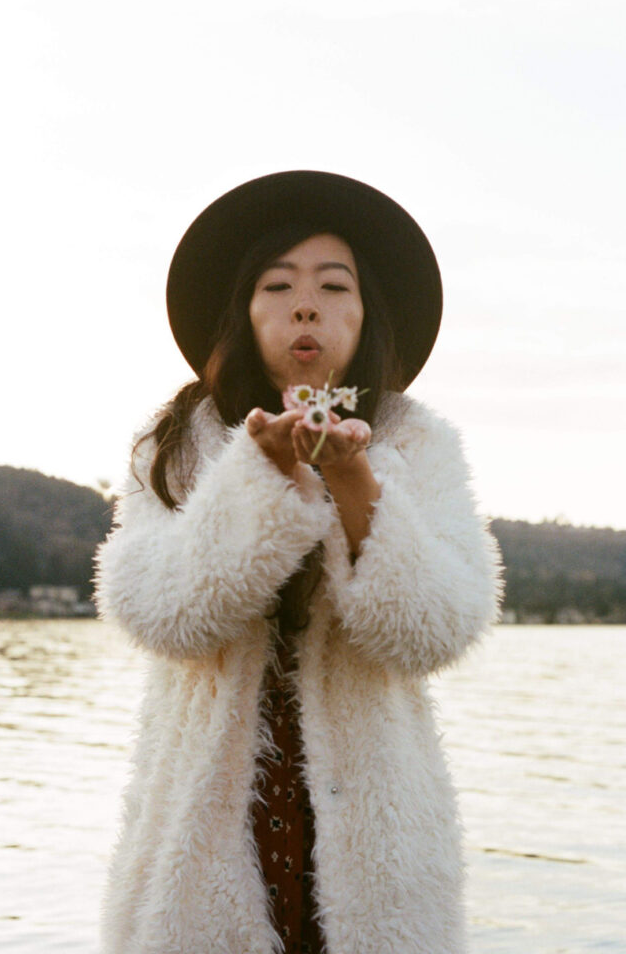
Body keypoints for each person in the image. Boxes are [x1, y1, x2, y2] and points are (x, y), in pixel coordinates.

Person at [94, 170, 502, 954]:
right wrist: (261, 479)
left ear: (366, 313)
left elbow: (441, 630)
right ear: (244, 315)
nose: (304, 305)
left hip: (376, 824)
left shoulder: (418, 443)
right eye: (276, 286)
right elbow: (153, 609)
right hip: (207, 825)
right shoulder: (178, 442)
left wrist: (352, 480)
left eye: (333, 286)